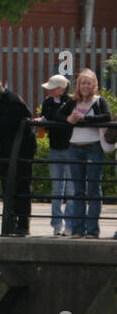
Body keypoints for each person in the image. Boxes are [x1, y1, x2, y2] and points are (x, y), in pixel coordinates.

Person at [0, 77, 35, 236]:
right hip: (2, 152)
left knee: (21, 187)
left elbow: (5, 124)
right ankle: (10, 223)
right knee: (7, 188)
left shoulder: (12, 102)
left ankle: (22, 225)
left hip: (19, 152)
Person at [63, 69, 110, 239]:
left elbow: (107, 116)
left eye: (88, 83)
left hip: (93, 147)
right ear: (78, 85)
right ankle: (77, 229)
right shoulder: (72, 101)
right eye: (82, 83)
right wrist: (69, 119)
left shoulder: (99, 101)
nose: (85, 86)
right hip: (74, 147)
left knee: (93, 190)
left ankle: (91, 231)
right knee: (78, 191)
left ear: (94, 85)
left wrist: (86, 120)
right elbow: (57, 115)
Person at [35, 74, 75, 236]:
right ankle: (57, 223)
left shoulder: (71, 102)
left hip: (70, 147)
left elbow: (56, 118)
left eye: (52, 88)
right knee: (57, 188)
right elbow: (50, 117)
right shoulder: (47, 102)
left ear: (60, 89)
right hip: (55, 147)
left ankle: (70, 223)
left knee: (71, 189)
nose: (49, 91)